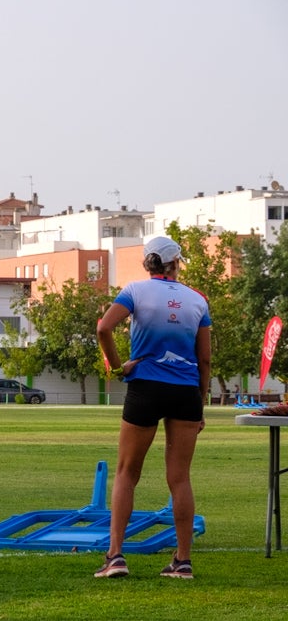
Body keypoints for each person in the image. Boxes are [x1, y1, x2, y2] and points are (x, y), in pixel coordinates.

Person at [95, 236, 210, 580]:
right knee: (179, 478)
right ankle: (183, 561)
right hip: (186, 390)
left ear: (148, 262)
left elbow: (103, 327)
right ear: (176, 263)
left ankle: (115, 556)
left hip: (145, 386)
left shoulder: (134, 291)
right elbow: (204, 358)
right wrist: (200, 403)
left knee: (127, 472)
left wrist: (118, 367)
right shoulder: (198, 300)